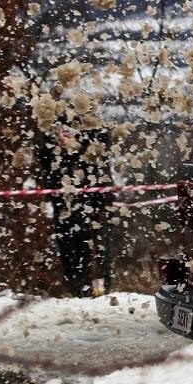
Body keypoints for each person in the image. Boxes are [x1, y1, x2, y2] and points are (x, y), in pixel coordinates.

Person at [36, 119, 113, 297]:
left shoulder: (87, 146)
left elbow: (102, 144)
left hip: (89, 204)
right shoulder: (52, 151)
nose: (64, 138)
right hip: (63, 206)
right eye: (61, 134)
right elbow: (44, 159)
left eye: (68, 133)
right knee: (67, 249)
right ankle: (74, 286)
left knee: (91, 247)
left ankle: (94, 286)